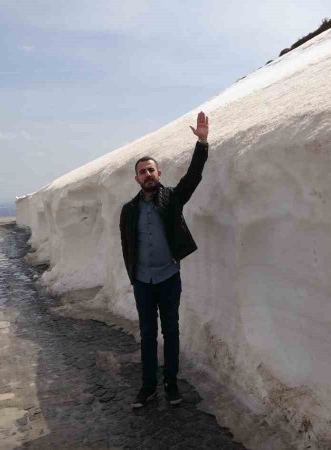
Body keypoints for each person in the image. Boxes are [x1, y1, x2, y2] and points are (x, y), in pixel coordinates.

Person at [119, 111, 210, 408]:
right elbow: (126, 245)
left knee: (171, 332)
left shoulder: (171, 198)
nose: (147, 175)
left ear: (159, 174)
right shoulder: (128, 210)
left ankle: (171, 383)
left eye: (151, 170)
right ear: (136, 178)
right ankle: (148, 387)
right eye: (142, 171)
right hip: (143, 282)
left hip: (169, 277)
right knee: (147, 335)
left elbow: (193, 178)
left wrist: (202, 143)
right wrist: (133, 276)